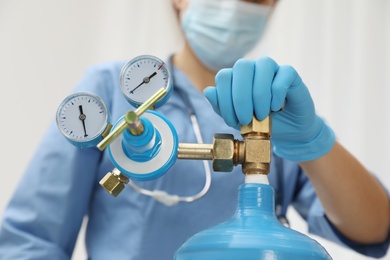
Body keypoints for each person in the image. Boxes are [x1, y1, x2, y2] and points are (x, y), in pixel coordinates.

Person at [0, 0, 389, 259]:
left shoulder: (273, 109)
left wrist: (312, 142)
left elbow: (373, 229)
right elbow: (30, 241)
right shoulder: (110, 92)